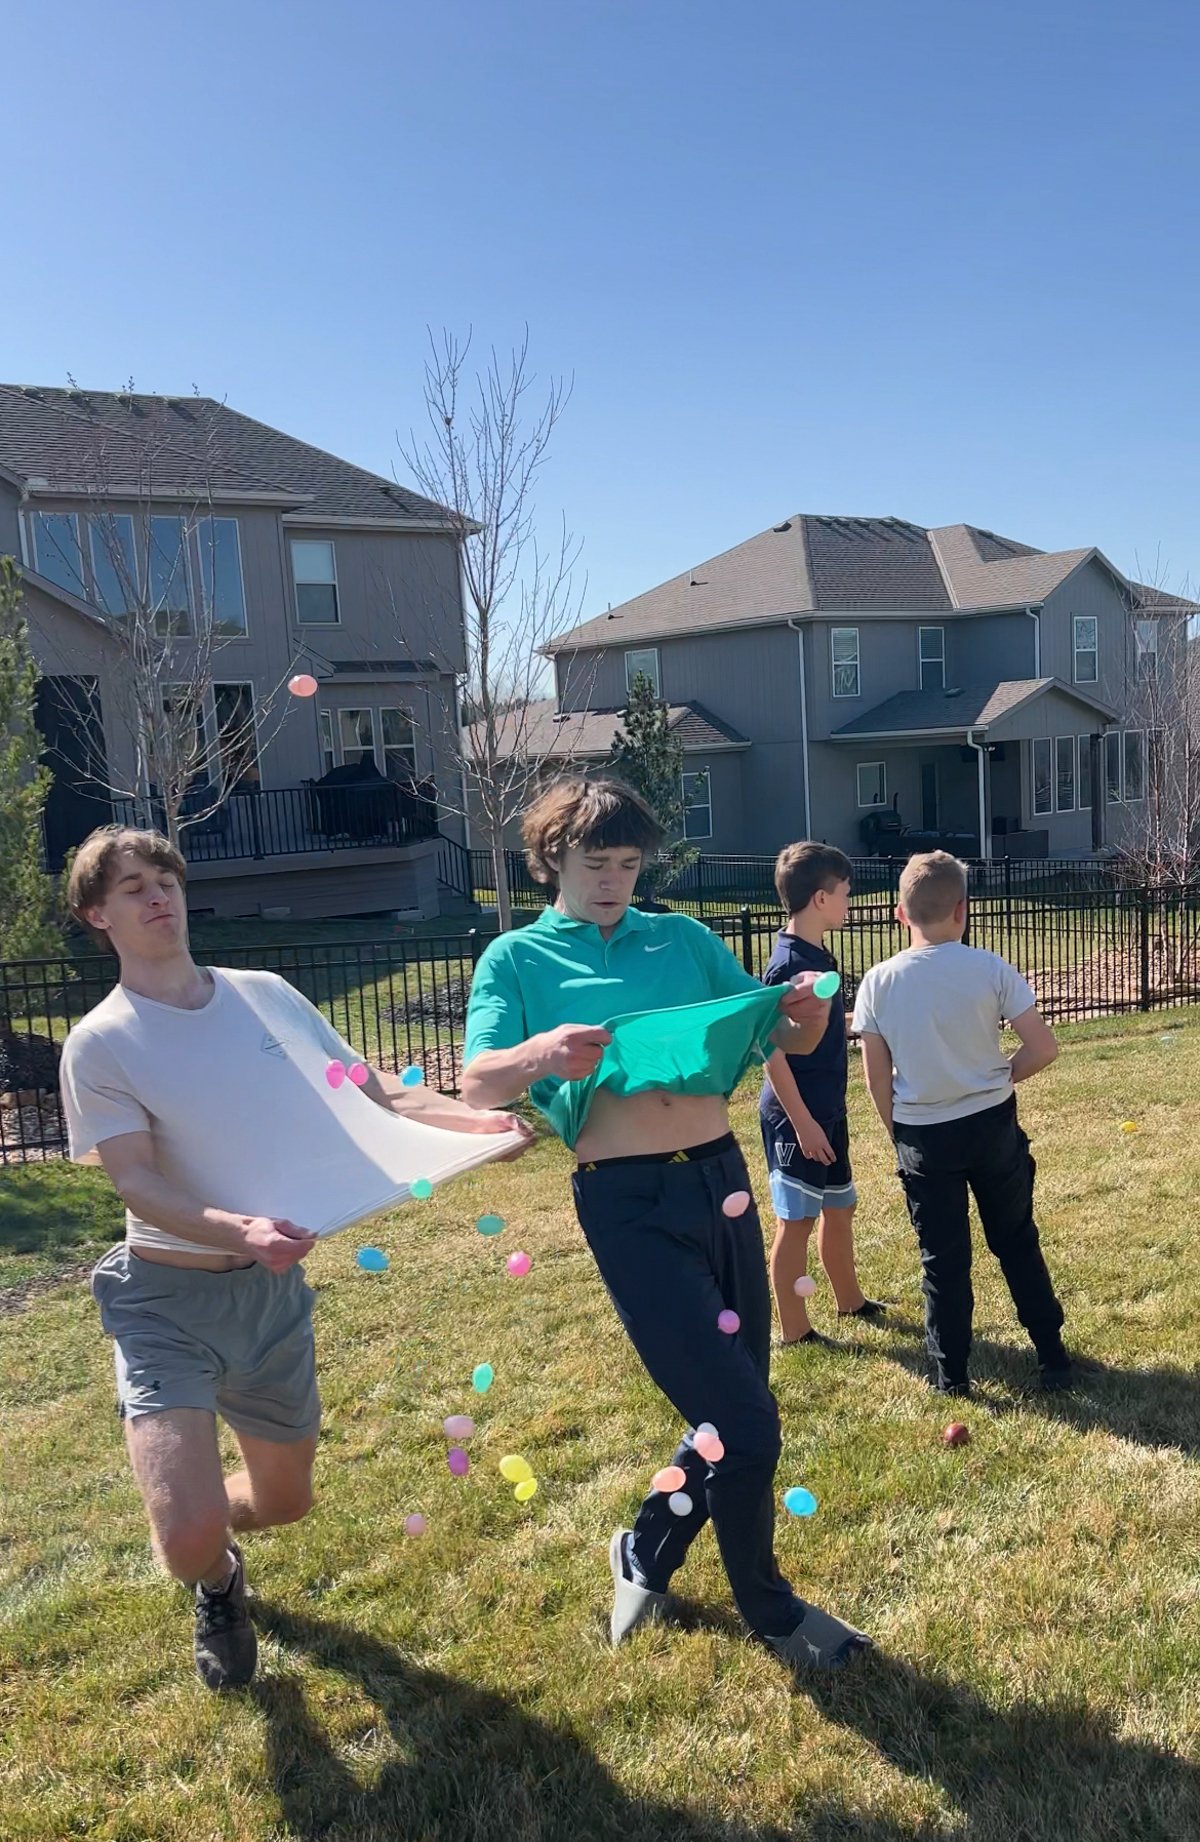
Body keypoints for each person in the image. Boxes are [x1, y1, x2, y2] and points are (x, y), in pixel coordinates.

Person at [59, 825, 527, 1693]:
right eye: (132, 888)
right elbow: (136, 1184)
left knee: (286, 1503)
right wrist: (239, 1229)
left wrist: (479, 1128)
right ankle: (213, 1574)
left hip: (269, 1300)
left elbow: (375, 1091)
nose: (158, 895)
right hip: (165, 1300)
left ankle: (212, 1529)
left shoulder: (265, 995)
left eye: (165, 877)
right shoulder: (102, 1041)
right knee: (187, 1540)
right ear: (98, 915)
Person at [462, 777, 871, 1670]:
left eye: (626, 863)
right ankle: (772, 1614)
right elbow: (476, 1080)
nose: (611, 880)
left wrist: (804, 1016)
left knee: (727, 1410)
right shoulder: (516, 960)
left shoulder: (682, 937)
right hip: (627, 1202)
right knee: (747, 1418)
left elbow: (773, 1039)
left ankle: (644, 1551)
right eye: (591, 863)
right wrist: (539, 1052)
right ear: (551, 862)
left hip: (720, 1184)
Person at [851, 851, 1071, 1396]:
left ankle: (952, 1377)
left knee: (942, 1261)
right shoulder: (990, 968)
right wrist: (999, 1077)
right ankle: (1054, 1359)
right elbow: (1043, 1047)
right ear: (963, 910)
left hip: (924, 1137)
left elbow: (876, 1078)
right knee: (1017, 1239)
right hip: (993, 1125)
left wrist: (895, 1131)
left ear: (900, 914)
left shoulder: (878, 983)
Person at [759, 842, 883, 1346]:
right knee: (797, 1220)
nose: (850, 899)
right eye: (845, 892)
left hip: (828, 1109)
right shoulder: (788, 965)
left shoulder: (816, 953)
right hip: (797, 1117)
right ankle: (794, 1330)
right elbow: (772, 1052)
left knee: (839, 1206)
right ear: (819, 898)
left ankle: (849, 1300)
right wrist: (804, 1123)